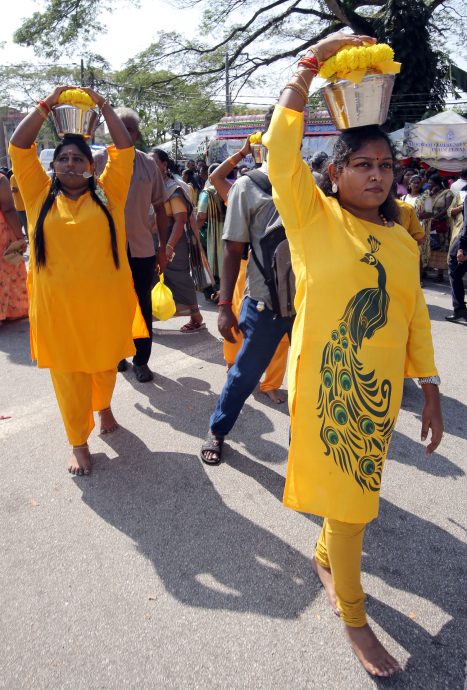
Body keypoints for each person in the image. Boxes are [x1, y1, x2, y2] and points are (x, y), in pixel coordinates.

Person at [263, 32, 443, 677]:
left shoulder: (399, 240)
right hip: (324, 389)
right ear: (334, 173)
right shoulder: (314, 219)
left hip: (378, 394)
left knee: (356, 494)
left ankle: (324, 551)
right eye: (361, 164)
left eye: (385, 166)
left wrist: (428, 385)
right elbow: (279, 150)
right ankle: (354, 616)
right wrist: (308, 69)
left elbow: (414, 315)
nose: (376, 175)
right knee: (353, 503)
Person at [9, 85, 147, 476]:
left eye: (78, 158)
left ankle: (102, 406)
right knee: (69, 377)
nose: (70, 164)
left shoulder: (110, 193)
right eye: (63, 158)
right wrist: (47, 104)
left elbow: (125, 151)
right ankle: (78, 442)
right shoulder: (37, 194)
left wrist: (102, 105)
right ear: (53, 166)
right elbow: (19, 149)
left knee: (105, 366)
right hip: (58, 310)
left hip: (105, 305)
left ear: (91, 164)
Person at [200, 105, 294, 465]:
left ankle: (307, 449)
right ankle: (217, 430)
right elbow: (232, 248)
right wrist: (224, 307)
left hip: (309, 305)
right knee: (242, 374)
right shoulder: (248, 186)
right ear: (267, 135)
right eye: (280, 128)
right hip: (262, 302)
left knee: (312, 377)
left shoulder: (314, 185)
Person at [209, 141, 289, 404]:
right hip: (243, 270)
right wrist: (242, 153)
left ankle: (271, 383)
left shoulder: (293, 187)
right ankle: (234, 369)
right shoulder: (244, 189)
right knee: (236, 324)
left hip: (278, 274)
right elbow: (215, 177)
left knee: (279, 336)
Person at [94, 107, 168, 383]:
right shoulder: (97, 161)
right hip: (105, 252)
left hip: (141, 249)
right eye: (117, 128)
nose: (122, 133)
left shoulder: (149, 164)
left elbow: (161, 209)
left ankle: (141, 360)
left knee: (141, 307)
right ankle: (117, 354)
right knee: (112, 306)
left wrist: (162, 249)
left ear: (136, 134)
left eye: (128, 129)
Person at [152, 148, 205, 332]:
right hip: (154, 241)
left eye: (154, 162)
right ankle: (148, 319)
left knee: (180, 279)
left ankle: (196, 317)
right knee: (153, 278)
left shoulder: (172, 189)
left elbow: (180, 220)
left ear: (164, 165)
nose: (150, 167)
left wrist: (168, 246)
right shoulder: (152, 187)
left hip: (173, 243)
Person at [0, 173, 28, 323]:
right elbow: (9, 209)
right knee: (6, 269)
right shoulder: (1, 179)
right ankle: (11, 310)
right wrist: (19, 237)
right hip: (2, 230)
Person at [427, 174, 453, 281]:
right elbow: (427, 208)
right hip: (430, 224)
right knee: (430, 246)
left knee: (441, 248)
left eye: (430, 182)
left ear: (436, 183)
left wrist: (436, 218)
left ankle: (440, 274)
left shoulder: (447, 193)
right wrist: (430, 195)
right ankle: (426, 269)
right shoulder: (430, 194)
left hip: (441, 225)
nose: (429, 184)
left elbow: (448, 208)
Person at [445, 194, 467, 323]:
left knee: (454, 273)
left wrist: (462, 247)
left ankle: (459, 309)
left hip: (463, 242)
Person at [9, 171, 28, 239]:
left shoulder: (14, 177)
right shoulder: (21, 175)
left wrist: (9, 190)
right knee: (21, 223)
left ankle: (28, 238)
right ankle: (17, 236)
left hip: (20, 206)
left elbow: (15, 189)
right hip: (23, 204)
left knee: (23, 223)